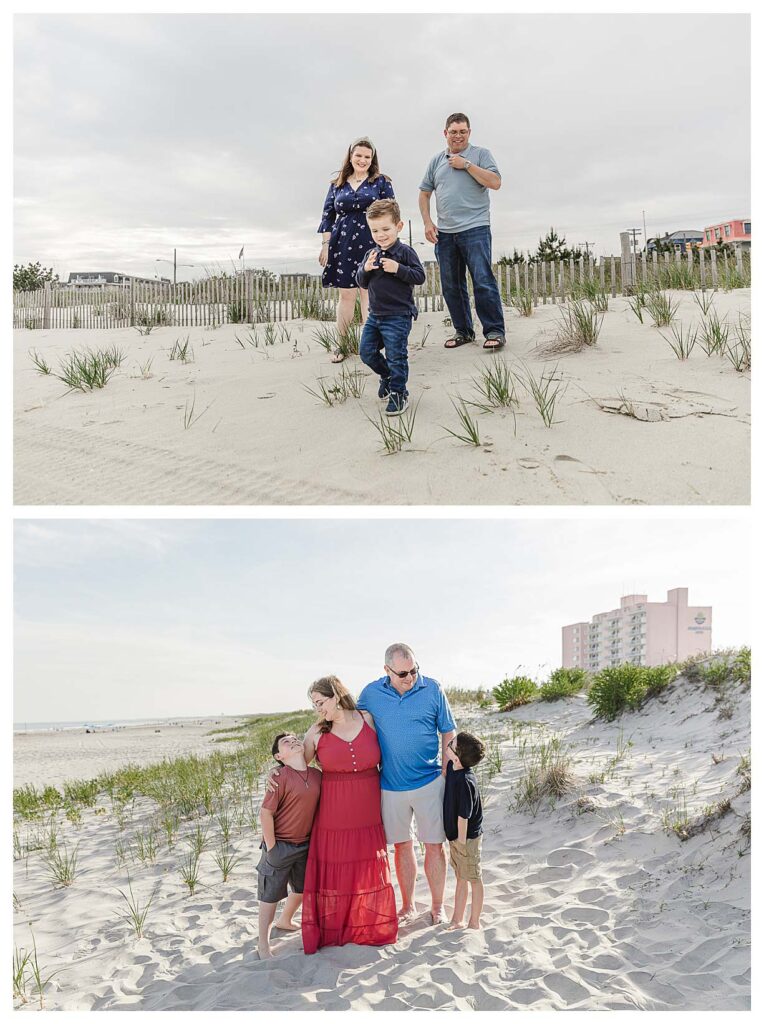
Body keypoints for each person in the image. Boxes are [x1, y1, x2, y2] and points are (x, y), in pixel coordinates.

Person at [357, 643, 457, 925]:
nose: (410, 677)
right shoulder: (371, 693)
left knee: (435, 845)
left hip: (429, 781)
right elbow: (349, 723)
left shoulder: (432, 689)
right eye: (402, 673)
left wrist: (447, 772)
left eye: (414, 670)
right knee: (402, 846)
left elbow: (448, 730)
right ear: (387, 670)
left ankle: (437, 906)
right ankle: (408, 905)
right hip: (390, 785)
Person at [297, 676, 398, 954]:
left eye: (321, 702)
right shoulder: (317, 731)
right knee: (337, 862)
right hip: (334, 809)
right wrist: (275, 773)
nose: (318, 709)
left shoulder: (367, 719)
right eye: (314, 704)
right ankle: (337, 927)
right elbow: (298, 765)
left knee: (365, 863)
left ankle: (364, 923)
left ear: (337, 696)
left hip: (367, 806)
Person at [418, 112, 506, 351]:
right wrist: (427, 222)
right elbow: (424, 193)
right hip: (445, 233)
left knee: (482, 280)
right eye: (453, 131)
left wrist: (465, 164)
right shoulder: (436, 161)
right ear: (445, 133)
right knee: (451, 285)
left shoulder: (480, 154)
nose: (458, 136)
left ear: (469, 133)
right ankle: (463, 332)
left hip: (475, 228)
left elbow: (495, 182)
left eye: (462, 131)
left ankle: (495, 331)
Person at [318, 137, 395, 362]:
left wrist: (388, 244)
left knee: (369, 292)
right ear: (350, 157)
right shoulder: (336, 185)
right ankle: (341, 345)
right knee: (346, 294)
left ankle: (370, 346)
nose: (362, 160)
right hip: (342, 243)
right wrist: (325, 247)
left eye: (367, 157)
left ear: (372, 160)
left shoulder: (381, 182)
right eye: (358, 155)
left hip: (373, 241)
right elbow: (327, 218)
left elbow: (391, 213)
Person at [356, 198, 426, 417]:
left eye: (386, 228)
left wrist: (398, 268)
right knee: (366, 352)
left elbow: (420, 276)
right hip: (375, 315)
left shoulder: (405, 253)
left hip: (398, 315)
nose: (381, 234)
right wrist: (365, 269)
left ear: (398, 226)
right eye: (375, 230)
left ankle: (399, 392)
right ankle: (386, 376)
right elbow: (362, 282)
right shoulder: (371, 254)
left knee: (397, 356)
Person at [257, 732, 322, 959]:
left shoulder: (317, 775)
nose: (294, 741)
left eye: (296, 738)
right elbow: (266, 813)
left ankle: (285, 920)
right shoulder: (280, 776)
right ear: (279, 756)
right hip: (280, 844)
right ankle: (262, 944)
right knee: (270, 894)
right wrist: (272, 847)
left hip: (305, 843)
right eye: (286, 742)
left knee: (302, 888)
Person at [443, 731, 485, 931]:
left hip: (467, 838)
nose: (448, 743)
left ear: (457, 757)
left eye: (451, 744)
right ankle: (457, 919)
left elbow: (464, 817)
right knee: (461, 877)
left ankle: (474, 921)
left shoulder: (466, 782)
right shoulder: (453, 767)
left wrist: (460, 843)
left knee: (474, 878)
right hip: (456, 837)